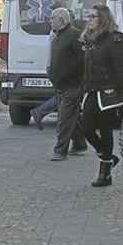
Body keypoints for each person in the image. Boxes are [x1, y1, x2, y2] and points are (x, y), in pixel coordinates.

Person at [80, 4, 123, 187]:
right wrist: (81, 91)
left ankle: (105, 174)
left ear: (102, 18)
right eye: (88, 16)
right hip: (93, 90)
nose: (89, 19)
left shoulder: (113, 40)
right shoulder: (89, 40)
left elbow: (120, 68)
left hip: (109, 91)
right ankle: (108, 157)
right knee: (86, 128)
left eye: (92, 16)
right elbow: (86, 69)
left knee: (105, 130)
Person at [47, 8, 87, 161]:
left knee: (64, 119)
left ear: (62, 20)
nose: (50, 21)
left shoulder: (74, 35)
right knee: (70, 116)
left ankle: (60, 150)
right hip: (59, 84)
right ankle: (80, 143)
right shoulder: (57, 36)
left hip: (72, 85)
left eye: (52, 18)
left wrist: (69, 73)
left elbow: (82, 59)